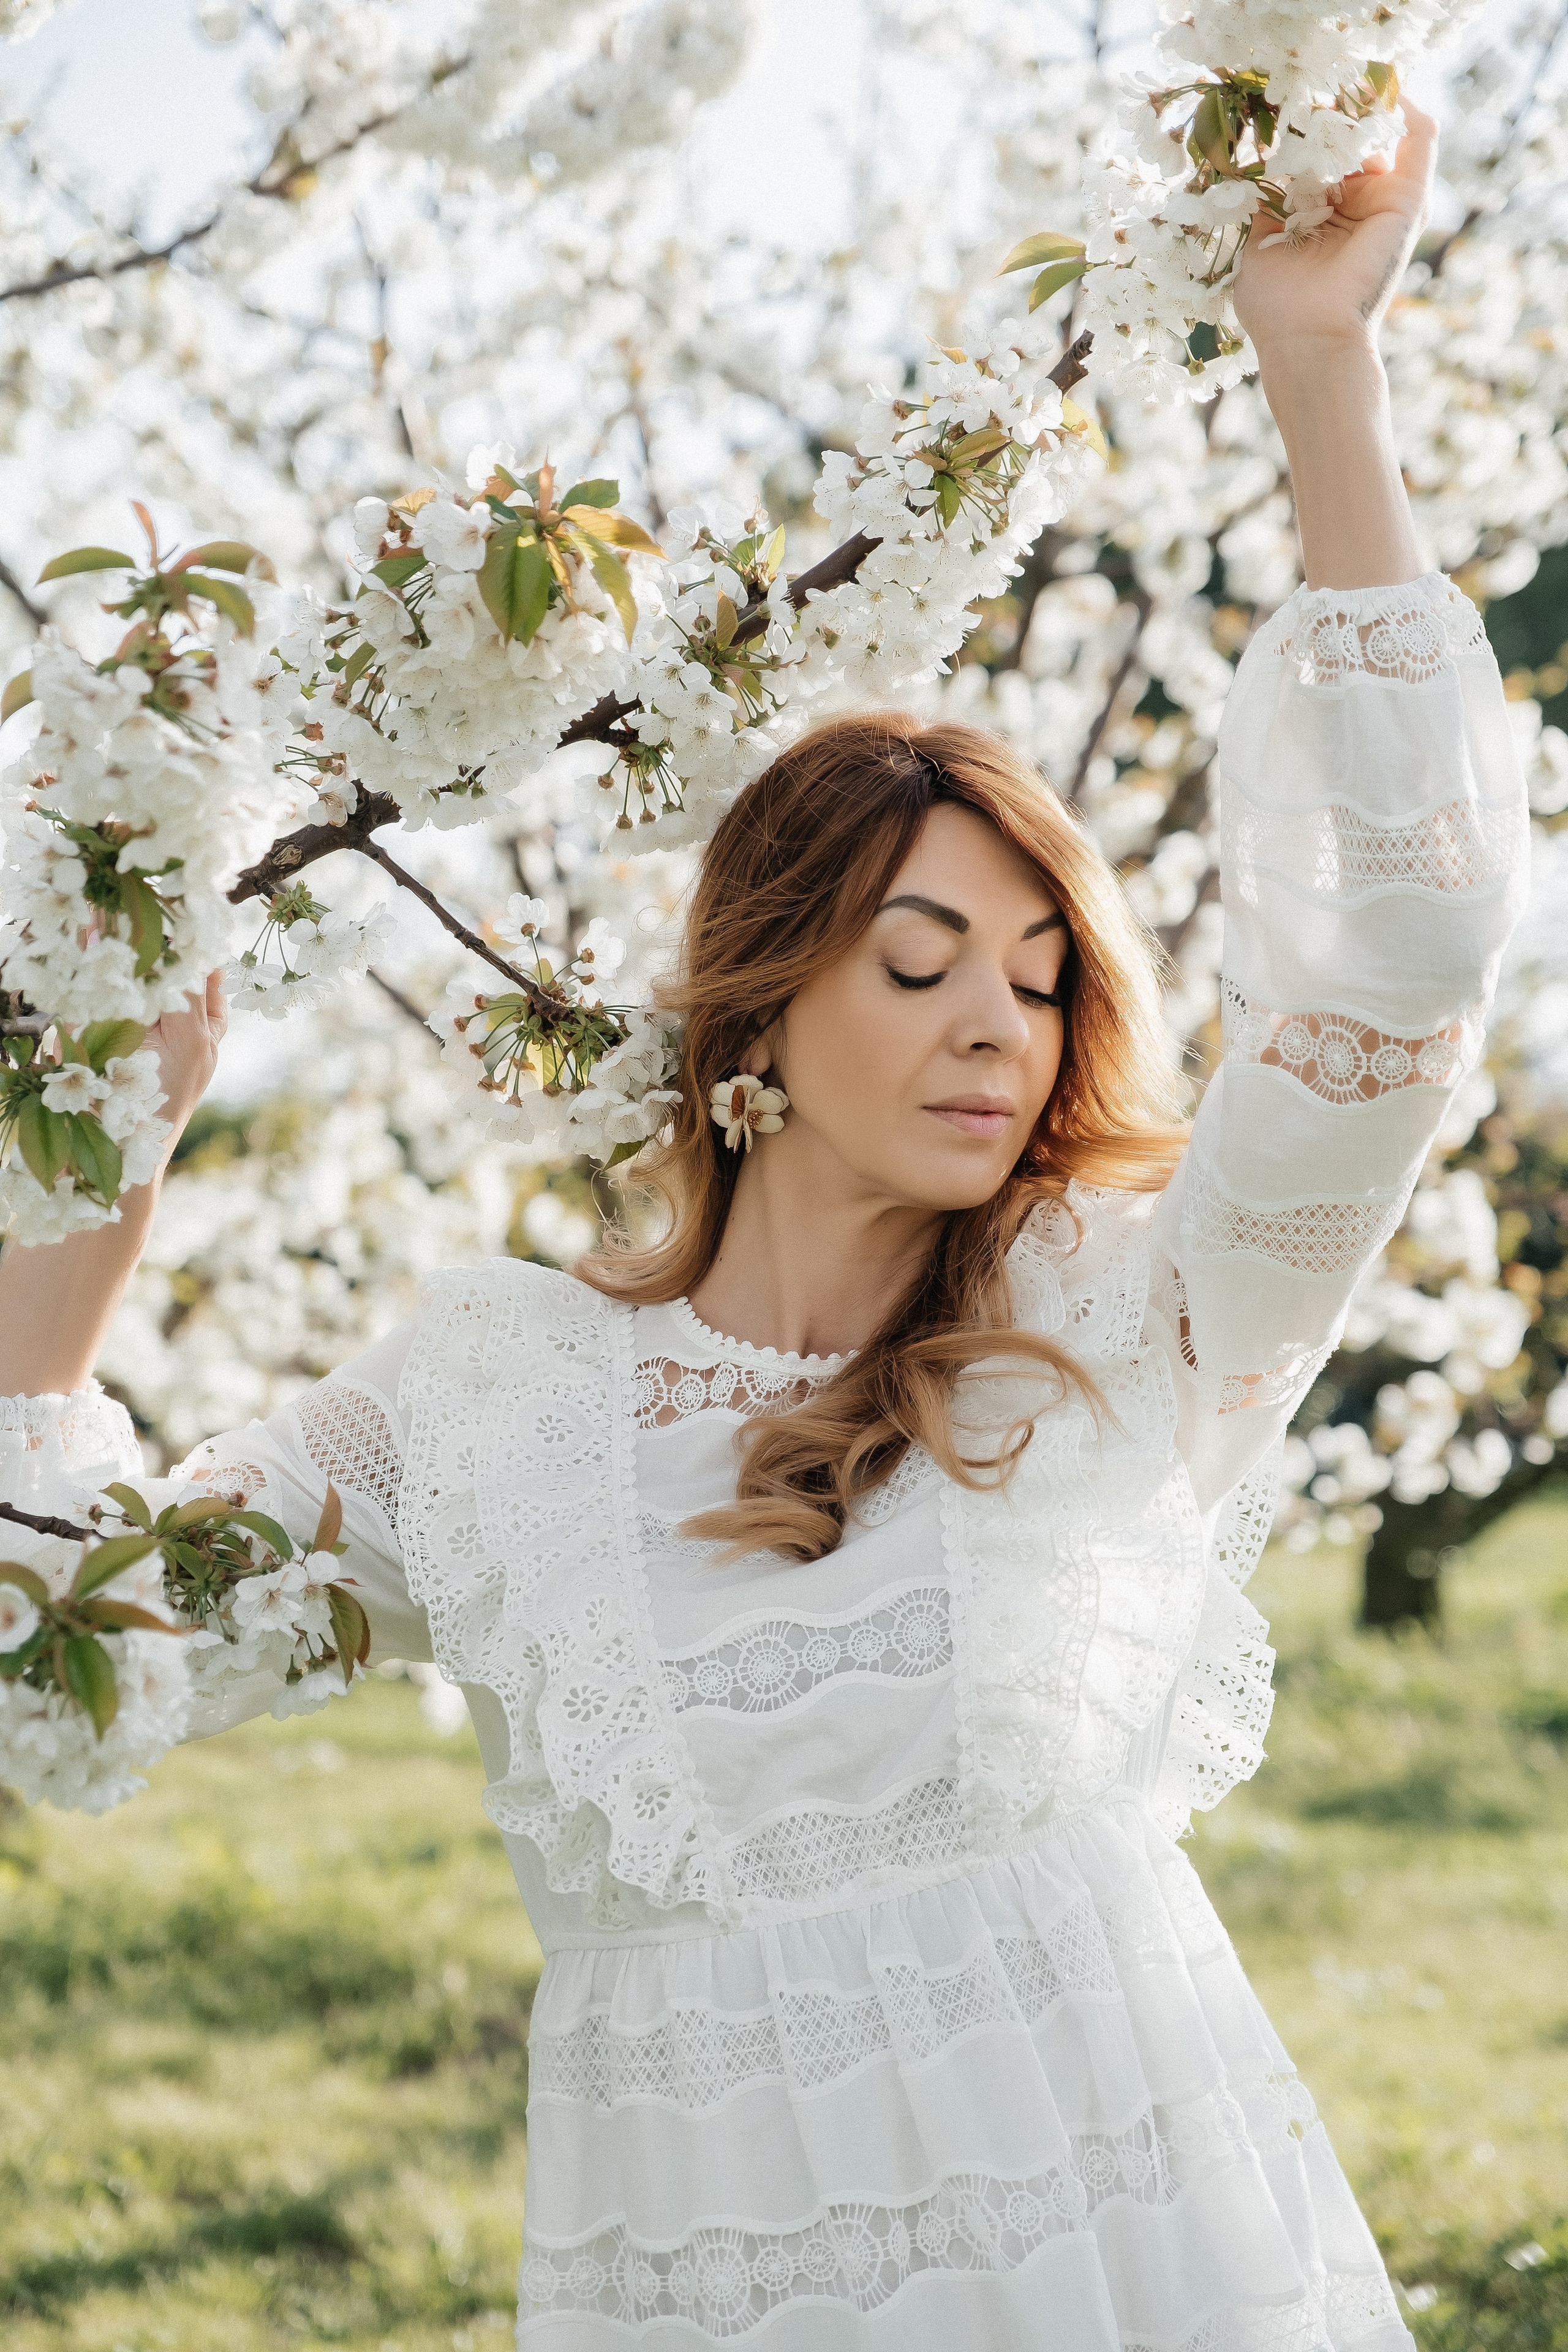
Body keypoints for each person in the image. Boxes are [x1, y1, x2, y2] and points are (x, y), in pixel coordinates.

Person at [0, 108, 1528, 2350]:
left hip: (1140, 2266)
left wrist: (1320, 362)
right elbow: (70, 1668)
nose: (994, 1026)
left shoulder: (1142, 1309)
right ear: (756, 1009)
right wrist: (92, 1185)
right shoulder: (493, 1408)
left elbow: (1401, 965)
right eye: (918, 965)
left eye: (1038, 975)